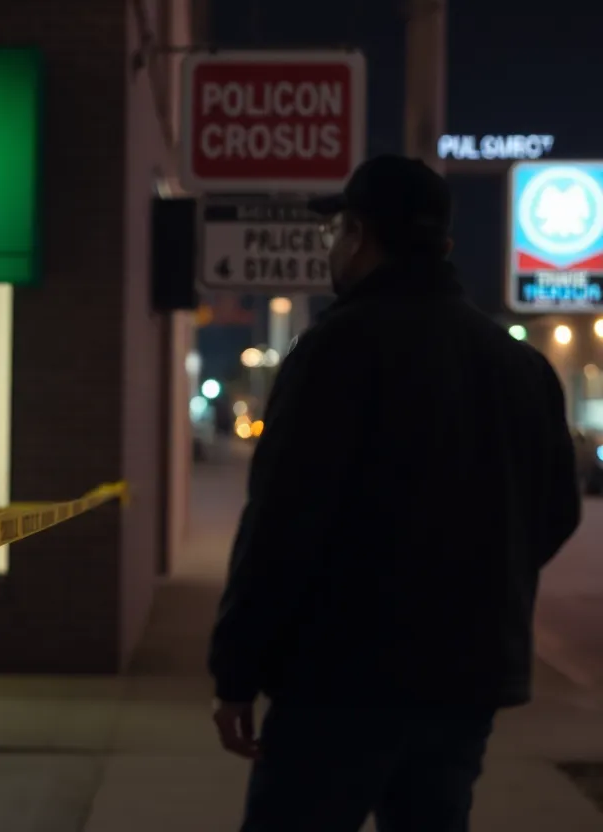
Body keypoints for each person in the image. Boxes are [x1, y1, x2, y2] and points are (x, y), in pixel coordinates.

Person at [207, 155, 582, 832]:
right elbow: (556, 512)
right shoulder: (519, 367)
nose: (332, 247)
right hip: (467, 682)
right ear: (442, 246)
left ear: (357, 234)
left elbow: (280, 526)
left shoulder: (336, 351)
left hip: (339, 684)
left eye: (337, 232)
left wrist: (236, 672)